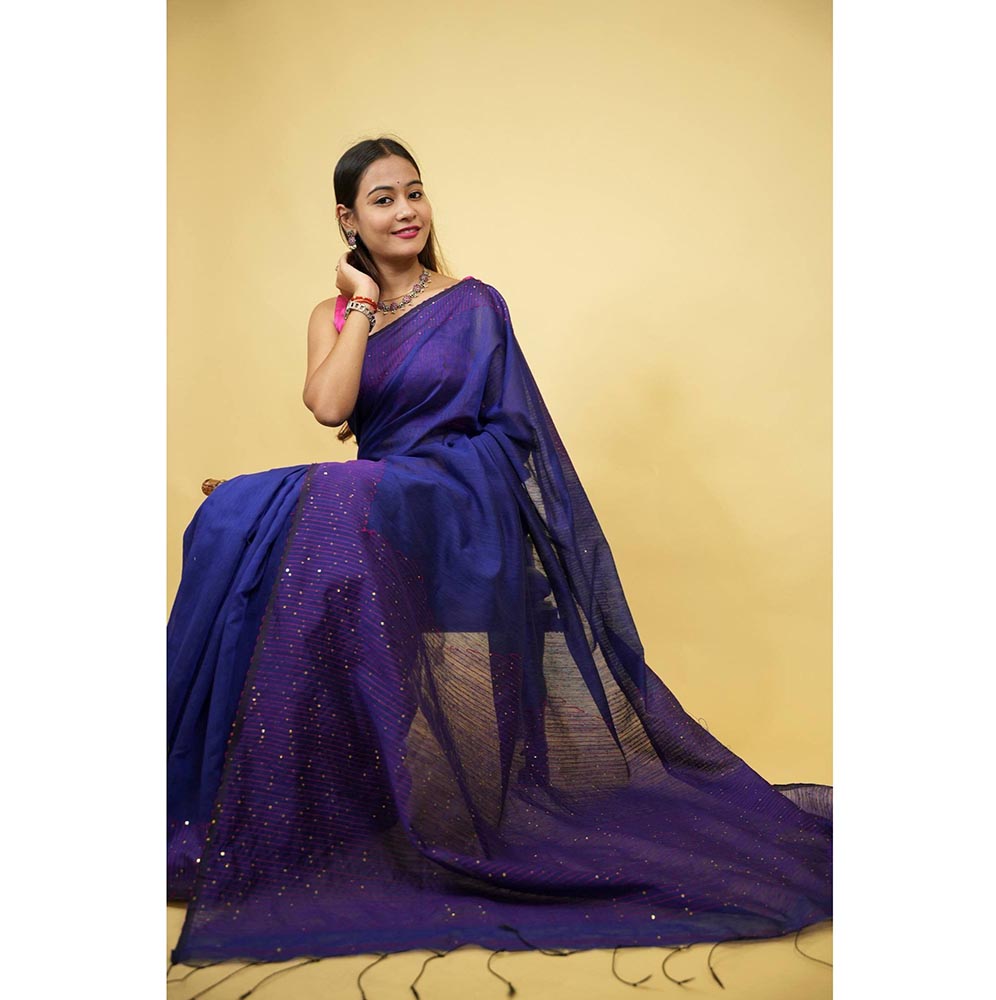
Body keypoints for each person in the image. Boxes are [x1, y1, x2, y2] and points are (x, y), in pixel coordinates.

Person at [167, 136, 832, 986]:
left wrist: (411, 480)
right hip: (381, 504)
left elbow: (509, 435)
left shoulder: (474, 304)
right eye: (382, 199)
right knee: (253, 519)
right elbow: (330, 406)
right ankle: (288, 803)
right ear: (348, 218)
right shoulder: (334, 313)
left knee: (314, 501)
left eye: (414, 192)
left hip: (459, 500)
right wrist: (362, 302)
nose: (406, 211)